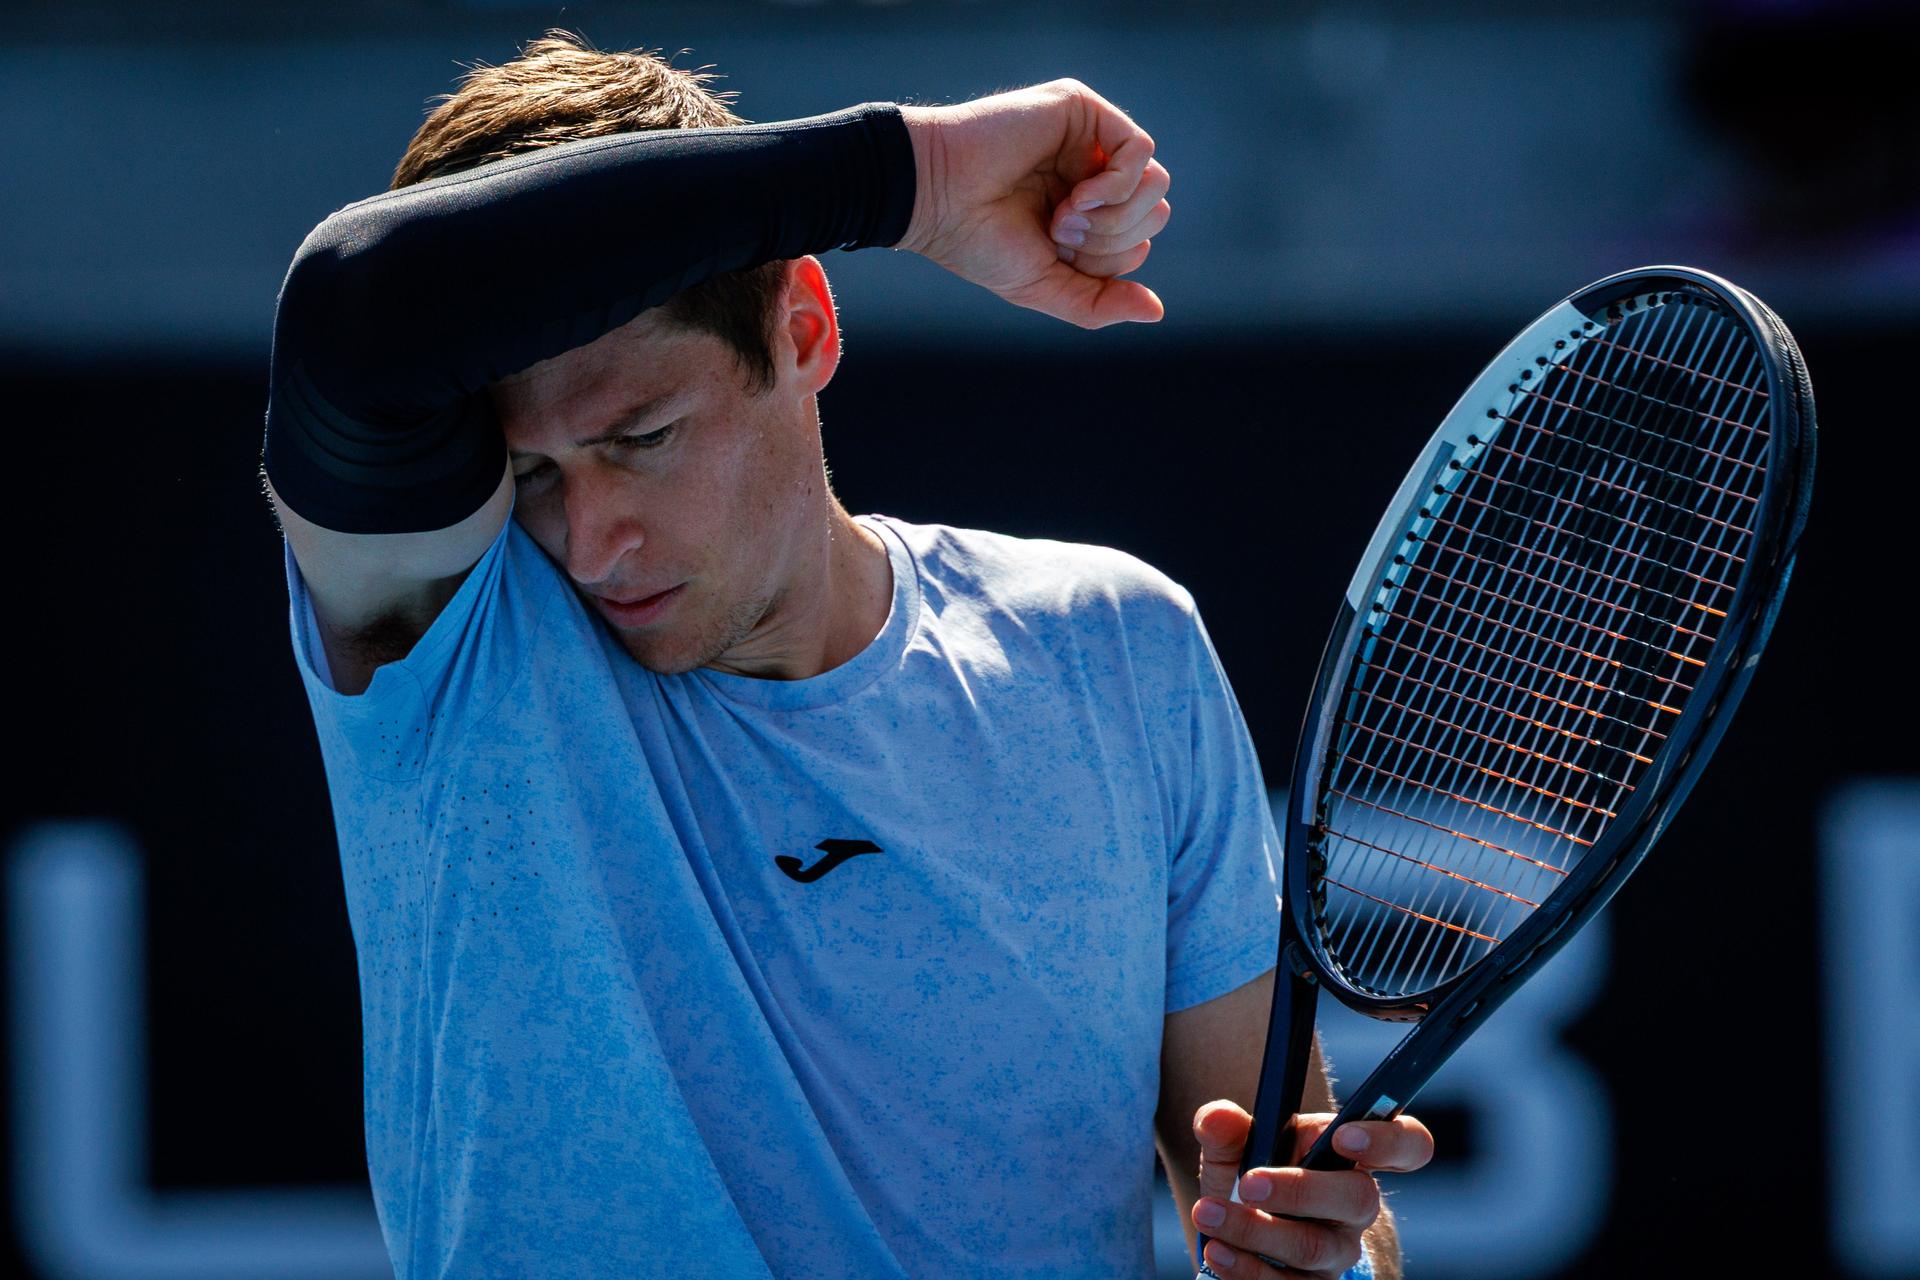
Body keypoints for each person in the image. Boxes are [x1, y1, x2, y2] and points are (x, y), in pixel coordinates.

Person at [261, 31, 1432, 1280]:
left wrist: (1324, 1263)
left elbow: (1312, 1220)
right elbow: (357, 299)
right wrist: (916, 177)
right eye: (534, 474)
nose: (591, 541)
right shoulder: (459, 639)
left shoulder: (1118, 649)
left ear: (805, 325)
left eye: (642, 436)